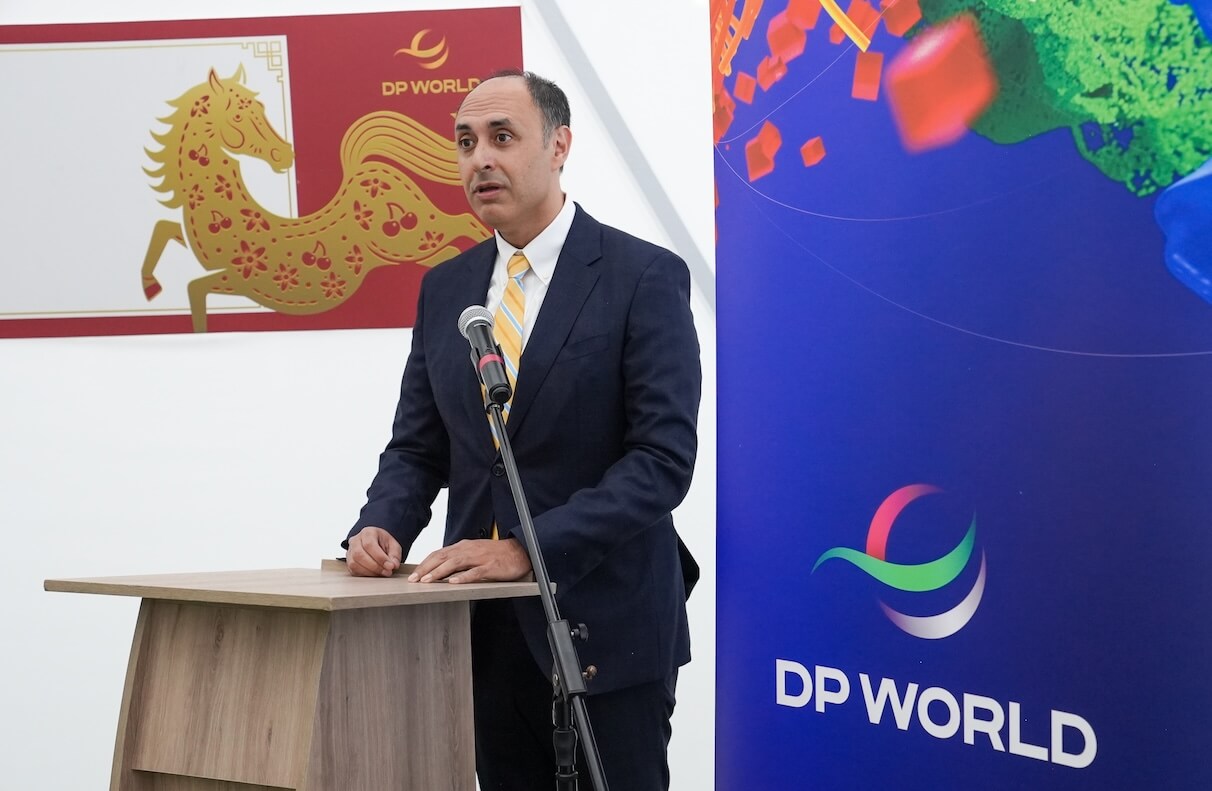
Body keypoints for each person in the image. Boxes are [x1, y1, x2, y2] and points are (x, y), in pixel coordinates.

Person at [343, 70, 701, 791]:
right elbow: (418, 445)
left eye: (502, 137)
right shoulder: (446, 288)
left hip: (605, 626)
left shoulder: (642, 275)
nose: (480, 159)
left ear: (559, 145)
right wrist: (381, 524)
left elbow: (661, 461)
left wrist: (526, 552)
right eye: (465, 142)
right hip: (483, 634)